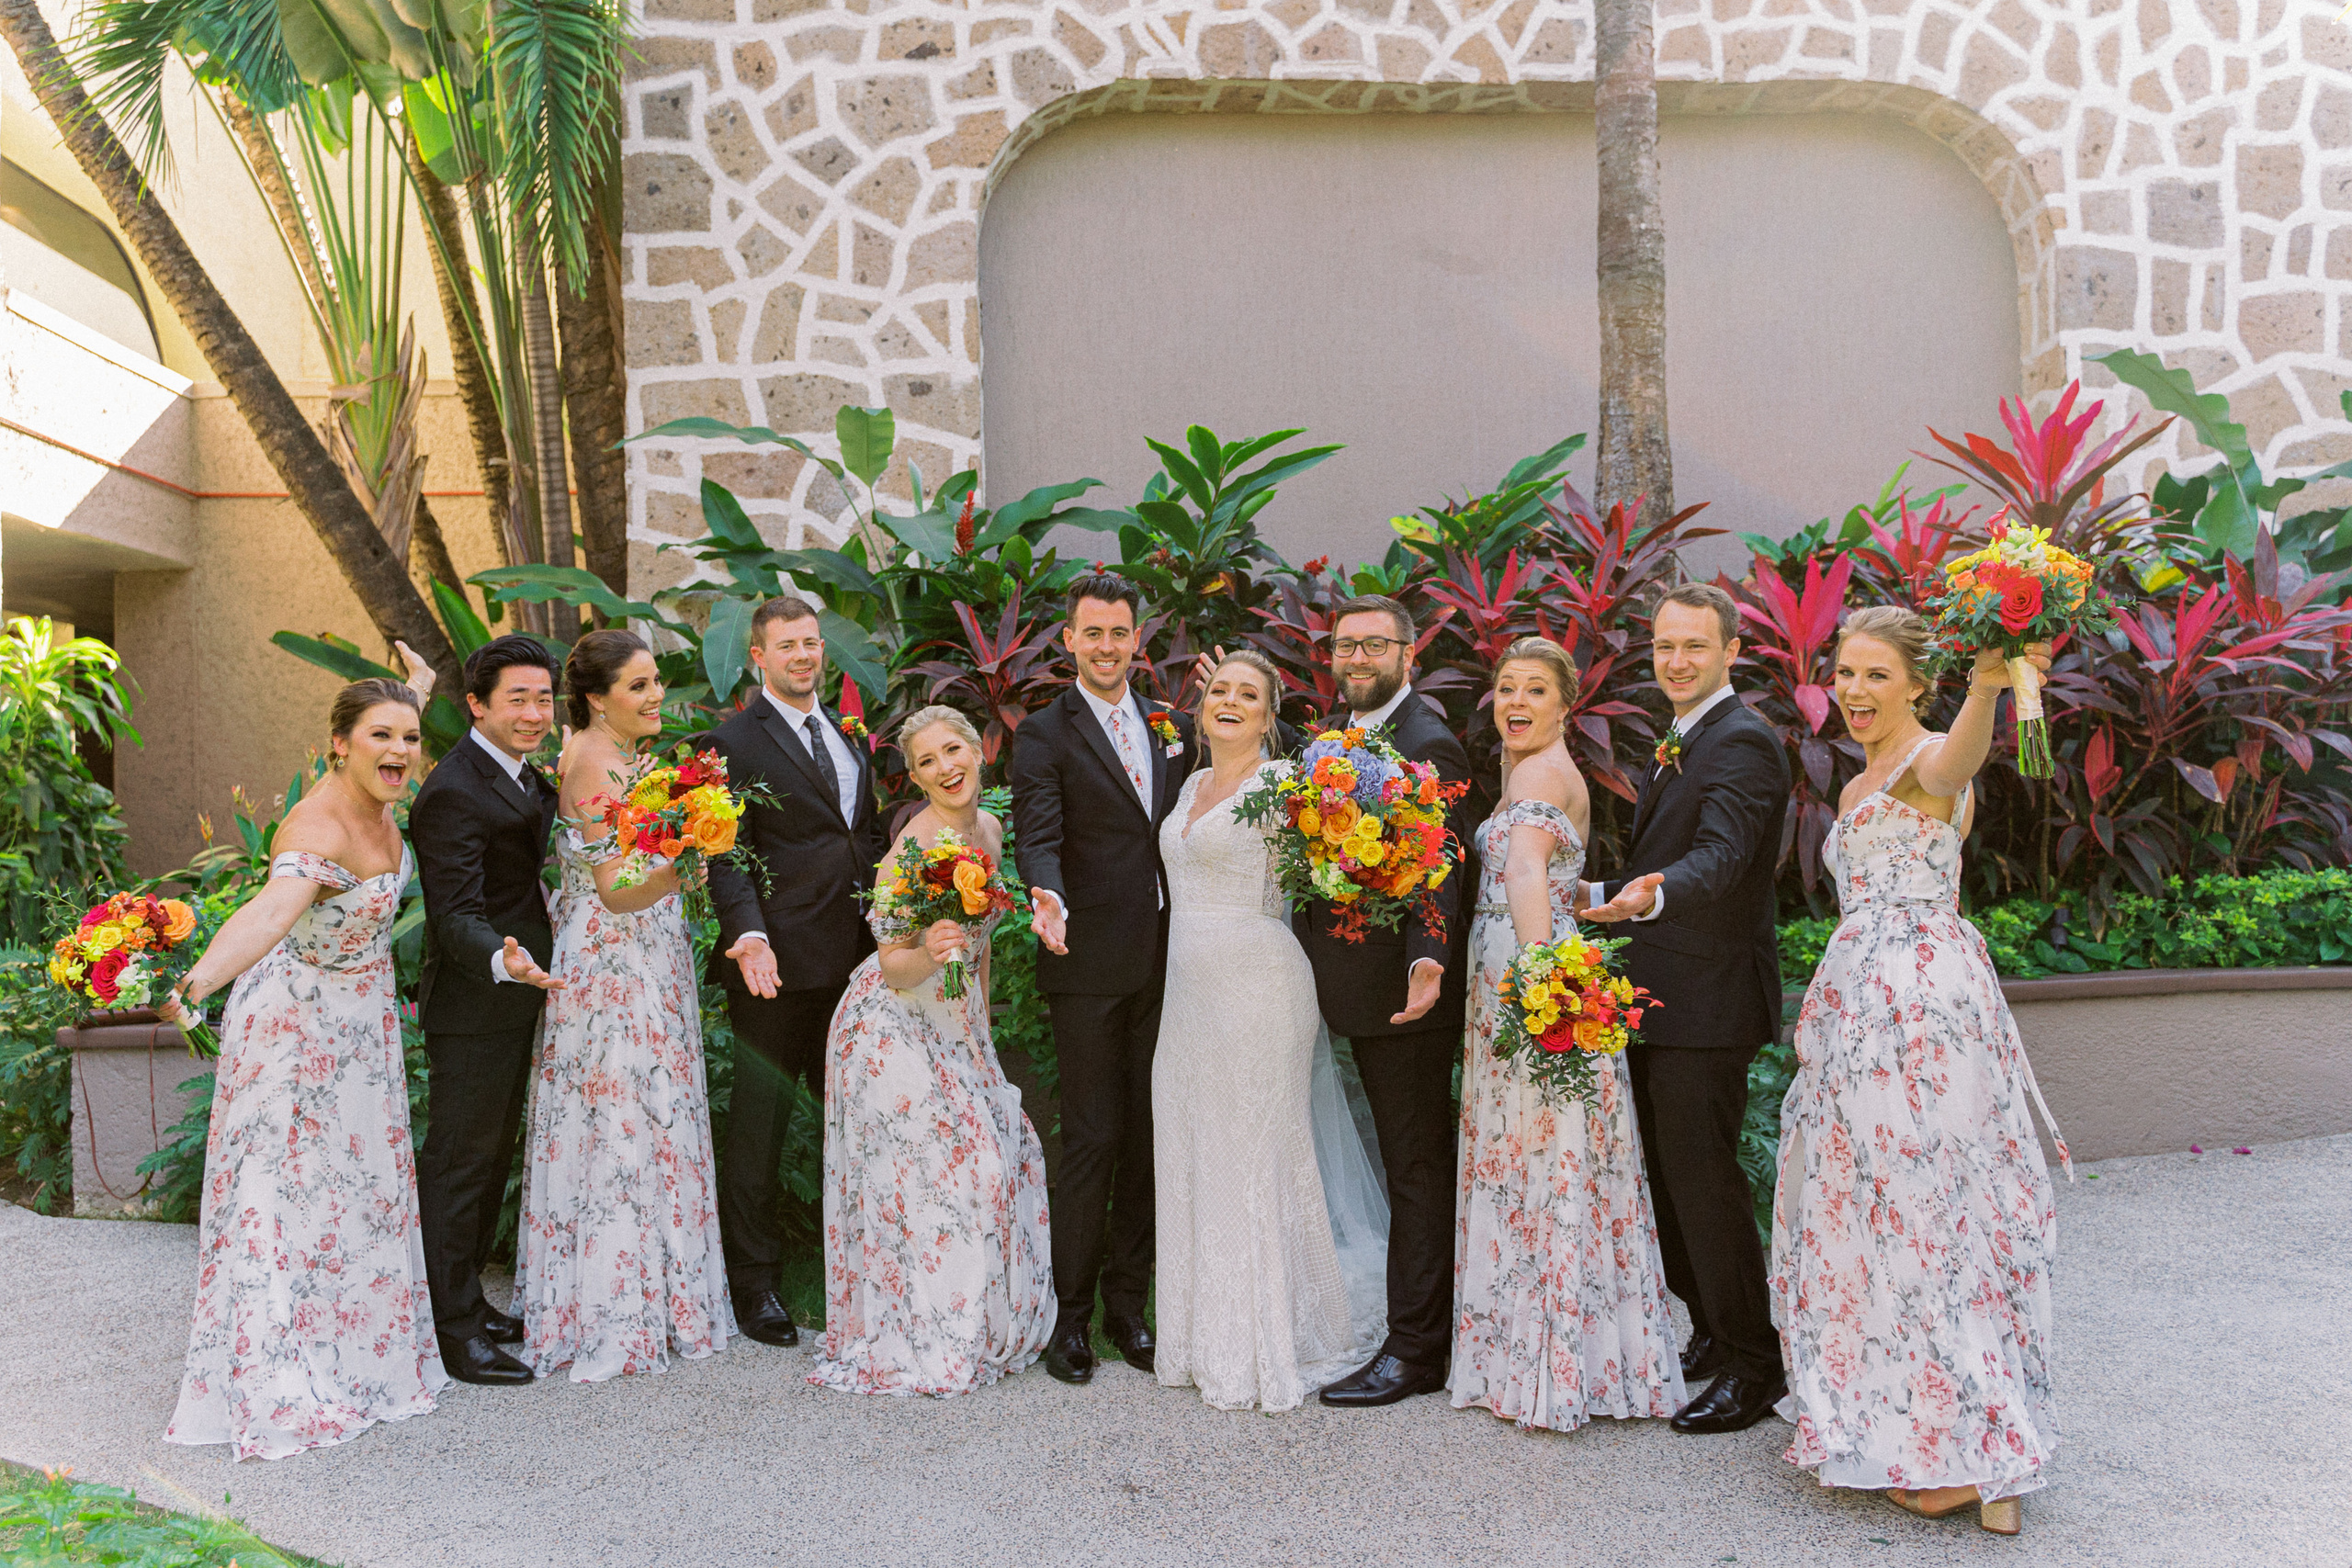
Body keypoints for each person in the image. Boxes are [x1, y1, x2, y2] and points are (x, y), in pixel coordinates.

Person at [1773, 607, 2069, 1537]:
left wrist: (1988, 685)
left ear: (1916, 683)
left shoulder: (1930, 758)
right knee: (1881, 1210)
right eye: (1845, 674)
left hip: (1915, 1005)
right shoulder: (1858, 780)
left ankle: (1975, 1454)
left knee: (1925, 1211)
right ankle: (1926, 1427)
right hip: (1861, 1007)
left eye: (1875, 674)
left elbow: (1957, 765)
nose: (1855, 691)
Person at [163, 677, 448, 1459]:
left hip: (359, 1030)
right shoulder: (317, 825)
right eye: (381, 735)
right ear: (338, 745)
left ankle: (355, 1352)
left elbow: (393, 714)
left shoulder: (379, 804)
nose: (400, 750)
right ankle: (277, 1368)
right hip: (295, 1031)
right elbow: (270, 910)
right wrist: (195, 985)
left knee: (354, 1192)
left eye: (410, 736)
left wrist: (415, 685)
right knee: (284, 1196)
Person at [1451, 637, 1684, 1431]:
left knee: (1540, 1153)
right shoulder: (1540, 771)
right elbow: (1552, 879)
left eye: (1536, 689)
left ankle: (1543, 1361)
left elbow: (1523, 871)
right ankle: (1569, 1352)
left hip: (1528, 979)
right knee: (1549, 1150)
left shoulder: (1540, 774)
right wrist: (1580, 908)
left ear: (1565, 703)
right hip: (1530, 963)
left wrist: (1540, 980)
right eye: (1507, 687)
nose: (1516, 702)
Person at [1152, 650, 1388, 1412]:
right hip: (1188, 997)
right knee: (1194, 1146)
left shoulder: (1285, 786)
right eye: (1219, 689)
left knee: (1252, 1152)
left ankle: (1262, 1341)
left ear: (1268, 716)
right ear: (1201, 707)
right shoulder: (1188, 785)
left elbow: (1341, 868)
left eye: (1247, 694)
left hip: (1259, 984)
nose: (1229, 701)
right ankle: (1200, 1335)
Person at [1581, 582, 1791, 1434]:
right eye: (1665, 645)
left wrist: (1653, 892)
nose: (1676, 660)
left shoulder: (1742, 741)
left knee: (1704, 1185)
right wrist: (1590, 894)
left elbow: (1722, 857)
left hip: (1709, 1000)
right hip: (1659, 994)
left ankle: (1754, 1363)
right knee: (1670, 1179)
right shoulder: (1682, 734)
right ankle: (1711, 1323)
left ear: (1731, 649)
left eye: (1694, 646)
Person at [808, 706, 1054, 1395]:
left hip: (954, 1022)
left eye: (953, 750)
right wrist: (932, 948)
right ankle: (918, 1332)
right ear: (914, 779)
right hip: (890, 1026)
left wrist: (982, 1034)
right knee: (933, 1176)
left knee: (996, 1156)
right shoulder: (911, 850)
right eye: (926, 762)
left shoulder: (990, 830)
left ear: (979, 751)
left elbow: (980, 951)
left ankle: (972, 1323)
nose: (945, 768)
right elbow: (894, 965)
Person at [514, 630, 733, 1381]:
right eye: (638, 685)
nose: (656, 695)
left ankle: (657, 1292)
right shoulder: (593, 762)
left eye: (655, 681)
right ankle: (614, 1307)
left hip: (645, 948)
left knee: (650, 1106)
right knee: (619, 1115)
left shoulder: (623, 754)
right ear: (597, 698)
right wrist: (686, 864)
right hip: (613, 960)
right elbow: (613, 888)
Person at [1009, 573, 1196, 1385]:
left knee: (1152, 1135)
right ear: (1070, 641)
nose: (1108, 646)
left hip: (1170, 962)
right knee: (1091, 1139)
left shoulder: (1170, 724)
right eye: (1093, 633)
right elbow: (1038, 833)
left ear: (1137, 640)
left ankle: (1129, 1307)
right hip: (1086, 963)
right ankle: (1072, 1318)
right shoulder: (1043, 734)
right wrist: (1045, 892)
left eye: (1120, 632)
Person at [1305, 595, 1474, 1409]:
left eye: (1376, 644)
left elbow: (1443, 863)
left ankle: (1415, 1351)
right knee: (1403, 1161)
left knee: (1414, 1166)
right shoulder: (1332, 739)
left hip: (1407, 993)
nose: (1359, 657)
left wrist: (1427, 959)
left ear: (1411, 652)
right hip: (1349, 987)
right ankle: (1417, 1333)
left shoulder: (1427, 740)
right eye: (1347, 645)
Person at [705, 595, 887, 1348]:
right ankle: (755, 1286)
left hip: (856, 961)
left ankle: (864, 1266)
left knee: (855, 1119)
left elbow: (861, 835)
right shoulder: (731, 741)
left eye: (811, 643)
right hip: (773, 966)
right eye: (787, 646)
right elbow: (725, 850)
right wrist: (749, 934)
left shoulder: (846, 732)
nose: (804, 656)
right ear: (758, 656)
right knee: (761, 1127)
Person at [412, 635, 567, 1387]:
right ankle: (453, 1331)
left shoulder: (524, 774)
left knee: (491, 1157)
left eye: (544, 698)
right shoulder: (453, 789)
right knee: (460, 1165)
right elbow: (454, 914)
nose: (535, 713)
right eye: (518, 699)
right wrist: (503, 959)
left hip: (517, 994)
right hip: (475, 999)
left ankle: (466, 1297)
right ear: (476, 704)